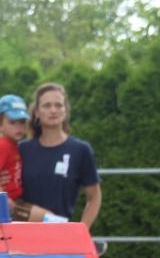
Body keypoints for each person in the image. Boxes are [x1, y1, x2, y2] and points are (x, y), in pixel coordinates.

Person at [16, 83, 102, 228]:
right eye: (47, 105)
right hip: (23, 234)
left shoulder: (80, 150)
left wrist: (81, 231)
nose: (53, 110)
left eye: (58, 105)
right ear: (36, 112)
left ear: (65, 110)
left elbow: (94, 197)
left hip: (60, 235)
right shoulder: (21, 150)